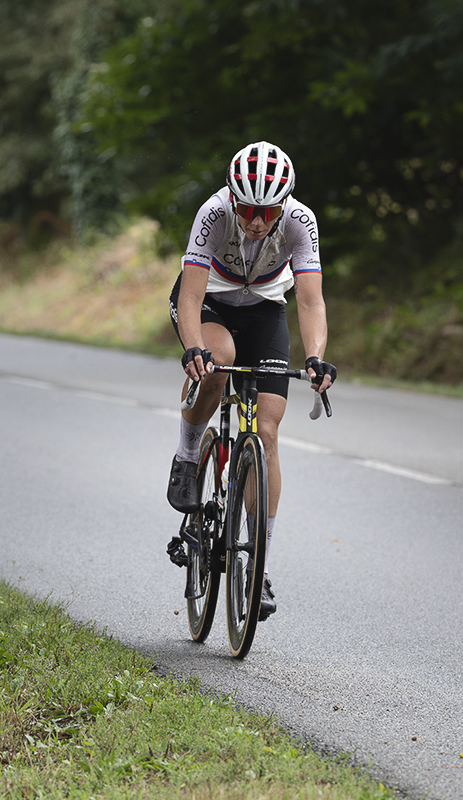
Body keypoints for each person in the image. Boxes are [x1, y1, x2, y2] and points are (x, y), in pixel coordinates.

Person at [164, 141, 336, 621]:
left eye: (267, 211)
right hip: (212, 301)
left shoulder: (301, 222)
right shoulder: (214, 213)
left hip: (264, 308)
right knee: (218, 360)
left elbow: (309, 301)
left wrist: (317, 357)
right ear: (232, 198)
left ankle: (257, 565)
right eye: (247, 209)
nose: (256, 220)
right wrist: (193, 348)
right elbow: (192, 292)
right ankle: (188, 451)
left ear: (283, 205)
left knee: (267, 429)